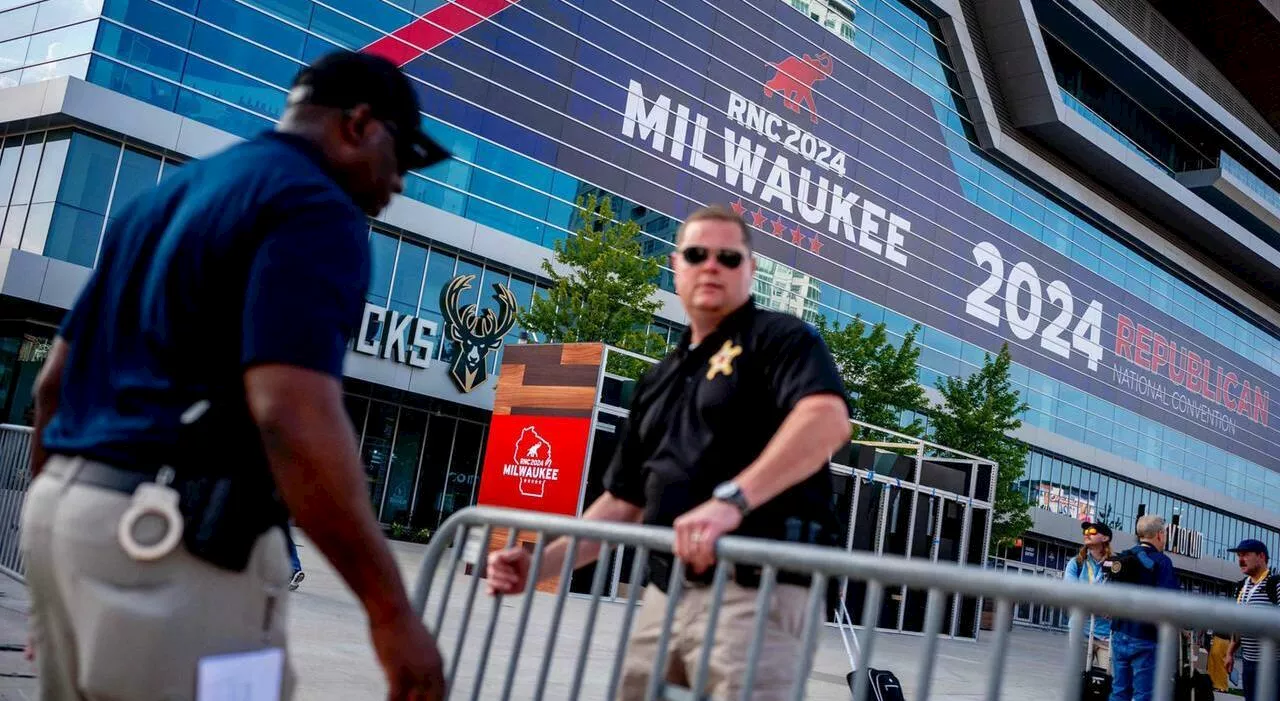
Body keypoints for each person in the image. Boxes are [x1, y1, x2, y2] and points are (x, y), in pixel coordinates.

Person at [20, 50, 450, 701]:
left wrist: (61, 557)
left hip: (64, 517)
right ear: (359, 124)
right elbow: (292, 413)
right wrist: (391, 611)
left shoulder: (163, 199)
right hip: (174, 545)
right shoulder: (316, 207)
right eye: (405, 154)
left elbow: (52, 385)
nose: (401, 181)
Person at [485, 204, 852, 701]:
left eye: (729, 257)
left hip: (758, 594)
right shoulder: (659, 379)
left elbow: (827, 419)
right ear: (676, 265)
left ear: (751, 269)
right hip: (666, 591)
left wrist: (732, 501)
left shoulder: (782, 339)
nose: (711, 266)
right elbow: (623, 502)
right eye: (697, 254)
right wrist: (541, 566)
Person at [1108, 515, 1180, 701]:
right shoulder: (1162, 562)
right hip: (1146, 637)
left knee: (1119, 691)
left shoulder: (1124, 557)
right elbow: (1170, 601)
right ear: (1160, 534)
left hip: (1119, 633)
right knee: (1143, 695)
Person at [1225, 539, 1280, 701]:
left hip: (1272, 663)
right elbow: (1238, 623)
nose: (1241, 560)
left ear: (1261, 557)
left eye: (1246, 555)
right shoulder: (1242, 587)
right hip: (1249, 663)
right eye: (1239, 555)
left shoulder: (1275, 584)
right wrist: (1230, 653)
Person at [1064, 521, 1113, 672]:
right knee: (1078, 678)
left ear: (1105, 538)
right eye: (1085, 532)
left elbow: (1122, 594)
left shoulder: (1115, 565)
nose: (1087, 534)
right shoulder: (1076, 563)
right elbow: (1072, 591)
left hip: (1107, 634)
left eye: (1092, 531)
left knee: (1108, 682)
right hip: (1081, 630)